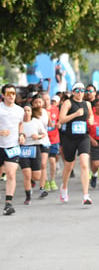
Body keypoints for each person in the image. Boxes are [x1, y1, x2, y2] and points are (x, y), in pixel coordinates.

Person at [59, 83, 94, 205]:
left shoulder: (87, 104)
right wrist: (74, 114)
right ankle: (64, 187)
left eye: (82, 90)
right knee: (69, 166)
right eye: (77, 90)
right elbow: (61, 120)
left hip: (83, 137)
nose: (80, 92)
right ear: (73, 92)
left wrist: (91, 120)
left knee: (84, 164)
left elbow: (91, 116)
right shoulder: (68, 103)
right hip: (70, 138)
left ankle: (86, 195)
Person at [0, 84, 25, 215]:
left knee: (11, 174)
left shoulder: (19, 110)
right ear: (3, 95)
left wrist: (21, 135)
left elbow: (20, 124)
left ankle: (8, 204)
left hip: (12, 146)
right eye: (8, 93)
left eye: (13, 93)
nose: (11, 96)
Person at [20, 104, 46, 205]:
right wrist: (20, 138)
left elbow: (44, 134)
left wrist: (38, 137)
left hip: (35, 148)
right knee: (26, 173)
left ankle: (32, 180)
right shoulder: (19, 123)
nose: (26, 113)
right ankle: (28, 197)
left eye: (28, 111)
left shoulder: (36, 122)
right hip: (23, 149)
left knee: (36, 176)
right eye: (25, 110)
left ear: (31, 112)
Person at [31, 94, 51, 198]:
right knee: (33, 167)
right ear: (32, 103)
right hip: (32, 142)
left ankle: (42, 188)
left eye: (40, 102)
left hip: (44, 141)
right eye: (36, 102)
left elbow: (49, 125)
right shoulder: (29, 113)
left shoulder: (45, 113)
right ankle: (31, 180)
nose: (38, 104)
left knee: (43, 164)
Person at [42, 92, 59, 192]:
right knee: (43, 163)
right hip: (43, 140)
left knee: (52, 160)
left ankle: (52, 179)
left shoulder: (55, 109)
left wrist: (59, 124)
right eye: (43, 99)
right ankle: (45, 181)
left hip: (54, 139)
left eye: (47, 99)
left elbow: (59, 120)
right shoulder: (38, 111)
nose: (46, 101)